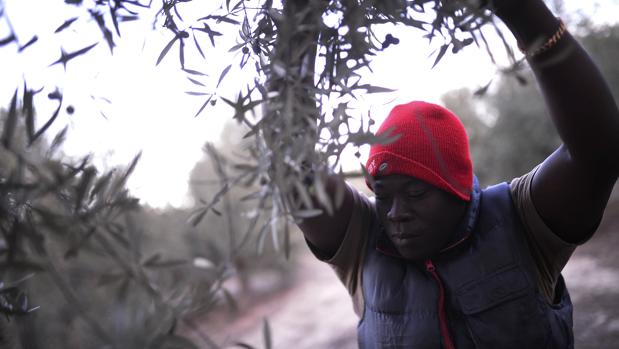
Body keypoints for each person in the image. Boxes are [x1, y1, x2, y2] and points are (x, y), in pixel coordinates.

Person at [296, 0, 619, 348]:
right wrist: (296, 28)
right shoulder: (363, 241)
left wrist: (524, 13)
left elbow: (596, 151)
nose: (395, 214)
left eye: (416, 193)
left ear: (457, 187)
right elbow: (292, 168)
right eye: (383, 195)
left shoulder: (520, 221)